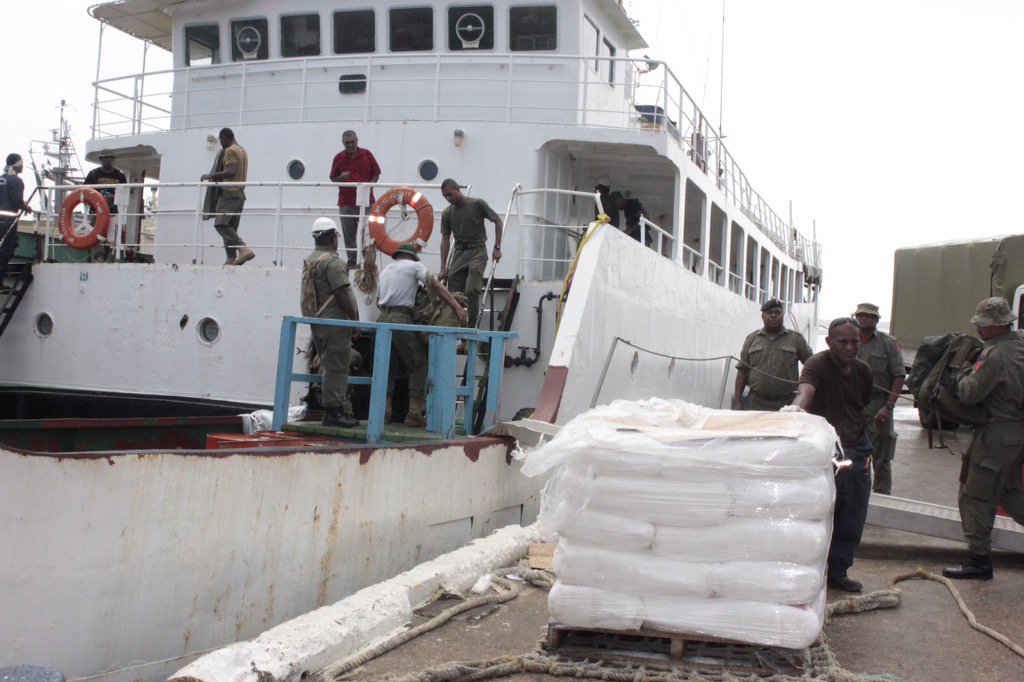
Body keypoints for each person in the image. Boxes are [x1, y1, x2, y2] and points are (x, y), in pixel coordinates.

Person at [789, 317, 874, 593]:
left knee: (853, 512)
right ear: (829, 342)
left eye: (855, 341)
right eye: (842, 342)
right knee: (819, 509)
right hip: (826, 450)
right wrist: (796, 410)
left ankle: (837, 571)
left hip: (856, 448)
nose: (850, 347)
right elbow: (806, 390)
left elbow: (863, 403)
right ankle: (809, 568)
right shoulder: (818, 364)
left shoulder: (863, 372)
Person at [943, 297, 1024, 580]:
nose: (979, 330)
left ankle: (979, 561)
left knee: (975, 495)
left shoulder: (995, 355)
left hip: (998, 434)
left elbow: (968, 394)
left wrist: (964, 367)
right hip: (1016, 434)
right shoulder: (1020, 344)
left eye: (983, 325)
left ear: (998, 326)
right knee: (1009, 492)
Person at [377, 243, 467, 427]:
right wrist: (457, 307)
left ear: (398, 255)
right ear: (412, 256)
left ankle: (383, 411)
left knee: (389, 365)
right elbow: (434, 285)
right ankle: (414, 413)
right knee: (419, 364)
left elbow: (379, 301)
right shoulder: (414, 266)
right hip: (400, 318)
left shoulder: (386, 269)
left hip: (381, 320)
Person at [303, 217, 361, 428]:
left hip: (318, 322)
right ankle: (334, 412)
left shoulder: (312, 259)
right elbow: (342, 294)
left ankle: (333, 410)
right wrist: (354, 322)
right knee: (337, 366)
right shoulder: (333, 262)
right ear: (330, 237)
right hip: (335, 322)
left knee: (328, 366)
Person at [853, 303, 905, 495]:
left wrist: (888, 406)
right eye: (861, 315)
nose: (864, 318)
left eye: (869, 316)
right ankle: (856, 493)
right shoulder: (848, 340)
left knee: (881, 458)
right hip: (852, 405)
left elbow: (899, 376)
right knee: (851, 454)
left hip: (878, 405)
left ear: (876, 320)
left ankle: (882, 496)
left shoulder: (888, 343)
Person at [438, 178, 503, 327]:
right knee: (453, 295)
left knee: (472, 290)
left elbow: (497, 221)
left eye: (449, 194)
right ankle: (457, 330)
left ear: (457, 190)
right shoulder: (447, 213)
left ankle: (471, 329)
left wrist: (497, 247)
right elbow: (445, 239)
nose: (448, 198)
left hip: (477, 251)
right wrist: (443, 267)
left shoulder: (476, 204)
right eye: (445, 196)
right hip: (459, 253)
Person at [732, 298, 814, 411]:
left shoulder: (796, 339)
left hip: (786, 404)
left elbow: (812, 366)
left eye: (777, 312)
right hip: (756, 403)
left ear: (782, 315)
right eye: (769, 313)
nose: (774, 315)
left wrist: (804, 394)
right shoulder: (752, 339)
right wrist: (737, 400)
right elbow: (742, 371)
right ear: (763, 316)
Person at [329, 130, 381, 269]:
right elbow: (333, 178)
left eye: (352, 142)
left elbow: (376, 172)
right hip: (346, 201)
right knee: (349, 234)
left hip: (367, 199)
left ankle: (369, 262)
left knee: (369, 233)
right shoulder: (338, 158)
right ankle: (352, 262)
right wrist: (342, 178)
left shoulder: (367, 154)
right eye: (347, 143)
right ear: (343, 143)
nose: (350, 145)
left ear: (357, 140)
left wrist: (370, 186)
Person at [201, 128, 253, 265]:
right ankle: (231, 257)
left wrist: (210, 176)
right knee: (231, 228)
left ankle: (243, 249)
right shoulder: (242, 151)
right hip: (240, 194)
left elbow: (231, 170)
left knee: (221, 224)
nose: (221, 142)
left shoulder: (230, 150)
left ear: (225, 137)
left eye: (221, 139)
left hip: (229, 193)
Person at [0, 153, 31, 279]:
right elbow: (17, 201)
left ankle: (4, 272)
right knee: (8, 247)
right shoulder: (17, 182)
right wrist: (26, 207)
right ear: (17, 165)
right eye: (21, 163)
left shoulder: (1, 179)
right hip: (8, 220)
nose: (23, 166)